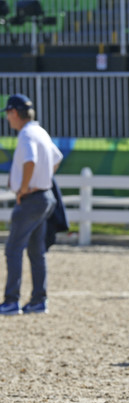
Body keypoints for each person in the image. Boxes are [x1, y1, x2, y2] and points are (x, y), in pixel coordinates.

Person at [0, 94, 62, 316]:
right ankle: (38, 299)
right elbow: (56, 159)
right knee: (36, 251)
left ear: (14, 113)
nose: (8, 119)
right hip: (45, 197)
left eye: (8, 114)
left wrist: (25, 188)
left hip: (31, 199)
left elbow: (30, 161)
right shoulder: (40, 131)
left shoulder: (26, 135)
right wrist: (42, 179)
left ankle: (10, 300)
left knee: (13, 249)